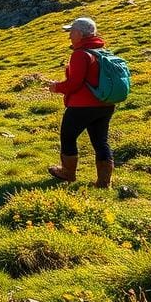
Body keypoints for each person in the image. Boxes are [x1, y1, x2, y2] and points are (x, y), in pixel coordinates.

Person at [45, 17, 116, 188]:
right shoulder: (102, 52)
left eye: (71, 32)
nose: (69, 36)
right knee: (101, 141)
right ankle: (104, 182)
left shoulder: (80, 54)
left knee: (68, 137)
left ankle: (68, 172)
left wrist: (56, 87)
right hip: (105, 104)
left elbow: (74, 83)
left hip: (82, 106)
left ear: (79, 33)